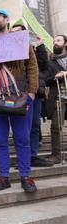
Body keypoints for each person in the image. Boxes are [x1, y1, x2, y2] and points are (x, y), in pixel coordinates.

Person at [0, 9, 39, 193]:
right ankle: (4, 177)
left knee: (22, 139)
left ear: (6, 20)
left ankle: (25, 176)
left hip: (21, 98)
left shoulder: (21, 40)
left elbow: (32, 67)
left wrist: (32, 95)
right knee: (0, 140)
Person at [11, 20, 53, 167]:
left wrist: (41, 46)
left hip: (35, 92)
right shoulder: (11, 49)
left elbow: (44, 67)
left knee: (34, 125)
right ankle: (23, 156)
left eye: (19, 32)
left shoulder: (34, 48)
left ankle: (32, 155)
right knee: (22, 127)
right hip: (18, 93)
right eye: (13, 32)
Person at [45, 35, 67, 164]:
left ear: (65, 43)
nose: (55, 43)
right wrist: (56, 77)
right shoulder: (50, 62)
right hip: (58, 97)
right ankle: (56, 154)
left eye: (58, 41)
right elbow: (46, 80)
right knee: (55, 126)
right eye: (54, 41)